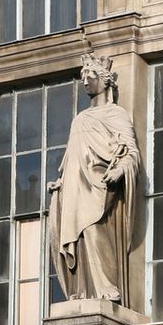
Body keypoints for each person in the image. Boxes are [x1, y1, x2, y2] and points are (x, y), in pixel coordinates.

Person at [48, 54, 140, 304]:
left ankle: (107, 287)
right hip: (75, 184)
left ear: (105, 80)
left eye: (91, 76)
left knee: (93, 227)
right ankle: (85, 289)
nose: (86, 81)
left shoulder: (116, 114)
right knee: (77, 236)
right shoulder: (80, 119)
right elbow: (71, 156)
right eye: (83, 77)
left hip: (100, 180)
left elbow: (130, 151)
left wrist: (120, 169)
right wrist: (60, 181)